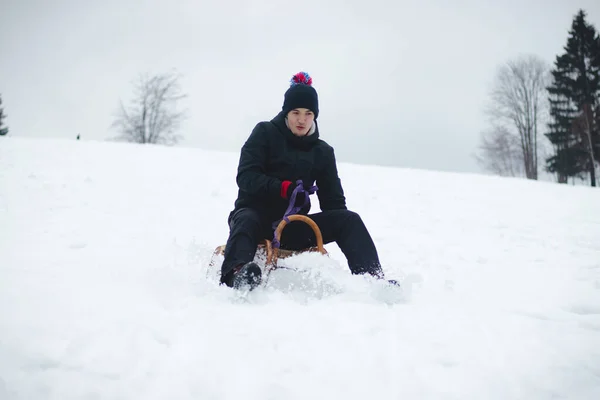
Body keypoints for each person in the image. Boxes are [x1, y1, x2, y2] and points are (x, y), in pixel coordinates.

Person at [220, 71, 394, 290]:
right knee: (246, 218)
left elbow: (334, 202)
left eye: (308, 113)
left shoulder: (322, 151)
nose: (302, 120)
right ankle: (236, 275)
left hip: (293, 228)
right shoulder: (264, 132)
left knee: (349, 220)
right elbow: (246, 177)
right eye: (296, 112)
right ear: (286, 112)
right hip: (255, 220)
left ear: (315, 116)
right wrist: (282, 188)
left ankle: (373, 281)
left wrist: (337, 221)